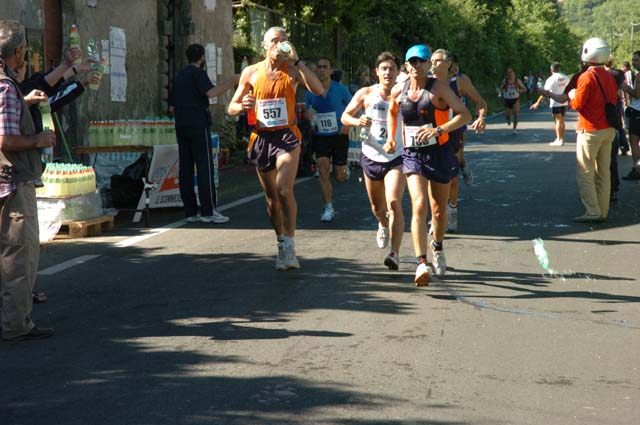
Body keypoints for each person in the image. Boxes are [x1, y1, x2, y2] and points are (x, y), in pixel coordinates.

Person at [227, 26, 323, 270]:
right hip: (261, 138)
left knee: (283, 189)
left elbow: (318, 90)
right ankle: (281, 242)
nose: (280, 44)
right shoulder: (251, 72)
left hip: (287, 137)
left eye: (284, 40)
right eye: (275, 40)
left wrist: (298, 61)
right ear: (264, 45)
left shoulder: (291, 69)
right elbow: (231, 107)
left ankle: (290, 244)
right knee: (272, 200)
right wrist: (242, 105)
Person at [385, 44, 471, 286]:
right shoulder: (399, 91)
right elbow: (393, 111)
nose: (416, 66)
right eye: (412, 62)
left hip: (439, 152)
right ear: (406, 65)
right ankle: (421, 263)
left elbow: (464, 114)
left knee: (438, 212)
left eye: (421, 61)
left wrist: (439, 129)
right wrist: (392, 138)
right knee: (419, 204)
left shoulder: (439, 89)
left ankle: (438, 246)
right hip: (413, 155)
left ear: (428, 64)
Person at [0, 20, 56, 341]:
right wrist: (39, 140)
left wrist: (27, 102)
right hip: (12, 180)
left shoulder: (8, 87)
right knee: (18, 255)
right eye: (24, 51)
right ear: (18, 51)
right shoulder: (6, 86)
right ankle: (17, 325)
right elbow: (6, 139)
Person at [341, 52, 406, 270]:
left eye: (392, 68)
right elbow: (344, 117)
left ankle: (394, 253)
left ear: (398, 72)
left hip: (396, 158)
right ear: (376, 72)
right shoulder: (366, 93)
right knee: (378, 208)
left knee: (394, 203)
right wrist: (358, 120)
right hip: (370, 156)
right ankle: (382, 223)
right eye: (384, 68)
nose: (388, 72)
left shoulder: (404, 95)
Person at [548, 38, 617, 222]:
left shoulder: (586, 76)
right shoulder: (609, 76)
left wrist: (571, 93)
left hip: (590, 130)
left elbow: (577, 104)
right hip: (608, 129)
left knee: (585, 172)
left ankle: (592, 211)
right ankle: (603, 210)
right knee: (604, 172)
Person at [171, 43, 238, 224]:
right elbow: (211, 92)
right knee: (204, 166)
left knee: (185, 167)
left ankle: (190, 211)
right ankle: (208, 210)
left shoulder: (179, 76)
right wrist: (232, 81)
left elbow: (171, 105)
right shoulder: (198, 74)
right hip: (198, 123)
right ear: (201, 58)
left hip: (181, 124)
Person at [430, 50, 487, 233]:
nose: (433, 64)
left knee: (451, 178)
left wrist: (481, 117)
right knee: (432, 177)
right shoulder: (426, 81)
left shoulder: (459, 81)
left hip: (454, 132)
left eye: (437, 60)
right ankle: (436, 217)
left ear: (448, 63)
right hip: (431, 134)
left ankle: (452, 209)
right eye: (431, 60)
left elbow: (480, 101)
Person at [306, 57, 352, 222]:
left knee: (340, 176)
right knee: (323, 168)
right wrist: (308, 116)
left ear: (331, 70)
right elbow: (307, 111)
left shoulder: (341, 89)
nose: (321, 70)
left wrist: (348, 124)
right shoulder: (310, 91)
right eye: (319, 67)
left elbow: (355, 107)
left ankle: (342, 168)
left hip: (339, 135)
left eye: (325, 67)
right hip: (321, 136)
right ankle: (328, 207)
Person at [530, 62, 569, 146]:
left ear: (551, 69)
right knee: (562, 120)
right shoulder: (566, 77)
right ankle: (561, 138)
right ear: (559, 68)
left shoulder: (551, 79)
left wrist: (537, 103)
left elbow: (545, 92)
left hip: (555, 102)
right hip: (564, 101)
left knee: (557, 121)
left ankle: (559, 139)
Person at [620, 51, 640, 180]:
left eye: (636, 60)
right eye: (633, 60)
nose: (633, 62)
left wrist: (625, 87)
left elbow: (637, 94)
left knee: (634, 142)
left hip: (637, 111)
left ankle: (637, 169)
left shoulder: (639, 76)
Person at [500, 67, 526, 134]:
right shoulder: (505, 81)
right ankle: (508, 119)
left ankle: (514, 129)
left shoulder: (517, 81)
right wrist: (501, 91)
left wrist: (519, 90)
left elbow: (524, 89)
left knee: (516, 114)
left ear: (513, 73)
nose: (510, 74)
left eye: (511, 72)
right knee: (507, 114)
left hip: (515, 99)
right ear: (506, 74)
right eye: (508, 72)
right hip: (507, 99)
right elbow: (501, 89)